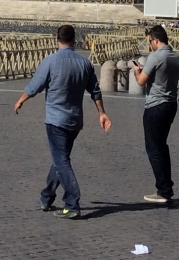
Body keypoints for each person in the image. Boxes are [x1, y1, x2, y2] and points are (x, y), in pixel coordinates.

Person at [13, 24, 112, 220]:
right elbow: (95, 91)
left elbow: (35, 86)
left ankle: (72, 203)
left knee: (61, 161)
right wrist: (102, 112)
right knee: (60, 158)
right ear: (74, 40)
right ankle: (47, 196)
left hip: (56, 120)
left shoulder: (50, 61)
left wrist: (20, 100)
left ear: (56, 39)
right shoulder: (85, 63)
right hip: (75, 120)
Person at [130, 25, 179, 203]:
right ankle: (166, 186)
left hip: (155, 105)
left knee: (153, 148)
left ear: (155, 40)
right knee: (162, 146)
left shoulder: (155, 56)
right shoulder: (176, 57)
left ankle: (163, 190)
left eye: (150, 41)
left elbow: (142, 81)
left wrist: (137, 72)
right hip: (170, 104)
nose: (150, 44)